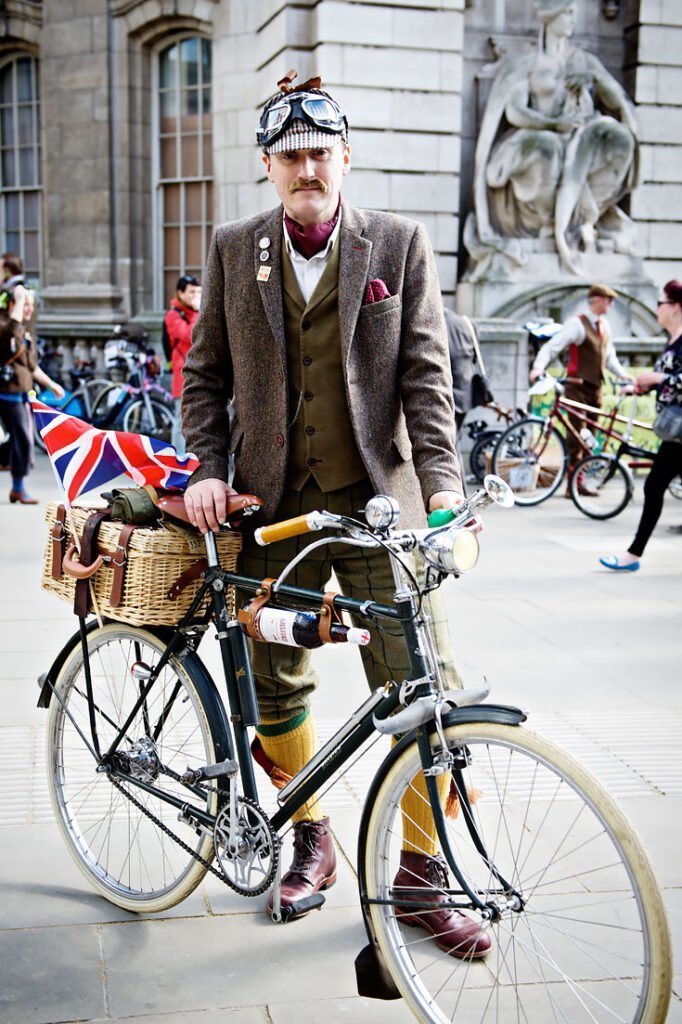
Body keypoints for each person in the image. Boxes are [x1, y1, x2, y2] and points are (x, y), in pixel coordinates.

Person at [182, 70, 490, 959]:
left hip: (374, 508)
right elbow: (205, 377)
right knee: (275, 678)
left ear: (345, 158)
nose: (306, 166)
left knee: (424, 685)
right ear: (268, 167)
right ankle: (310, 832)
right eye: (290, 155)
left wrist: (443, 495)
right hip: (269, 507)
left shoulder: (397, 243)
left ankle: (420, 877)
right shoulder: (236, 247)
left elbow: (427, 382)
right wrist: (204, 470)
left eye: (321, 152)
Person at [465, 0, 639, 279]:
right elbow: (514, 110)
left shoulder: (584, 62)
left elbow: (619, 101)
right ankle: (556, 226)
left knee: (618, 138)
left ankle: (580, 221)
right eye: (567, 13)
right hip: (542, 142)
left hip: (581, 142)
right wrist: (554, 123)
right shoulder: (528, 63)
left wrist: (593, 83)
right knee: (546, 149)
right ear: (551, 17)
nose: (572, 19)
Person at [600, 280, 682, 572]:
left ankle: (633, 555)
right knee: (655, 486)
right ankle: (633, 555)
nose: (657, 309)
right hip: (674, 432)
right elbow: (668, 384)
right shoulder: (672, 341)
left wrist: (656, 380)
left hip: (678, 433)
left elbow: (670, 380)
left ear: (675, 307)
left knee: (654, 485)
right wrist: (639, 387)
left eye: (660, 303)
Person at [529, 282, 633, 495]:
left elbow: (609, 357)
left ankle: (580, 480)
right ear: (597, 300)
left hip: (596, 388)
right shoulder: (577, 324)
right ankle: (572, 485)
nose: (611, 305)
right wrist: (538, 367)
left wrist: (623, 375)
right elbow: (553, 347)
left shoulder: (604, 326)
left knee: (590, 437)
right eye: (608, 300)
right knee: (576, 435)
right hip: (577, 387)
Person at [0, 285, 62, 502]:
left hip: (20, 395)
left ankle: (18, 487)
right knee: (22, 441)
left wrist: (52, 384)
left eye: (31, 305)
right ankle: (18, 487)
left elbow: (32, 366)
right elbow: (8, 333)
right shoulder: (6, 325)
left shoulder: (24, 332)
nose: (28, 309)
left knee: (21, 441)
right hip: (5, 394)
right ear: (11, 304)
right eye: (24, 304)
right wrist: (17, 299)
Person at [164, 274, 201, 455]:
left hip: (200, 371)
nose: (195, 295)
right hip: (182, 375)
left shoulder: (195, 312)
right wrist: (197, 312)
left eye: (198, 292)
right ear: (180, 293)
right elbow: (190, 336)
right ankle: (177, 459)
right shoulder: (173, 315)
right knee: (181, 420)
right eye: (191, 292)